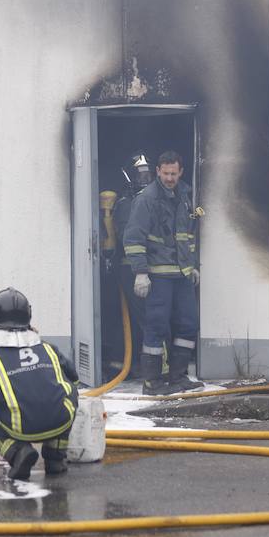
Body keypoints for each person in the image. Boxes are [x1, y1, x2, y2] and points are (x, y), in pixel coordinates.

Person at [0, 287, 79, 480]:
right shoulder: (48, 348)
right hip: (61, 421)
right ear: (28, 316)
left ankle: (18, 452)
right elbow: (74, 377)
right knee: (64, 398)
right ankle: (56, 459)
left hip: (21, 427)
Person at [123, 149, 203, 395]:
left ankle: (178, 377)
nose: (170, 178)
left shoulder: (186, 195)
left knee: (189, 323)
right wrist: (140, 273)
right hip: (157, 276)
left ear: (181, 172)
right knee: (156, 327)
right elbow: (133, 237)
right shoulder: (147, 199)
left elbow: (188, 236)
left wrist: (193, 266)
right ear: (158, 171)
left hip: (182, 275)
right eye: (165, 173)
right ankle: (152, 383)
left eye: (174, 173)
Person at [112, 152, 155, 375]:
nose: (145, 180)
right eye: (140, 176)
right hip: (132, 270)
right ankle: (147, 369)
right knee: (146, 320)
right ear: (129, 177)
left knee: (151, 319)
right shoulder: (126, 204)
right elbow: (128, 238)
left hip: (148, 270)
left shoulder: (152, 201)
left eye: (148, 175)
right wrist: (141, 272)